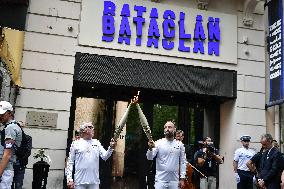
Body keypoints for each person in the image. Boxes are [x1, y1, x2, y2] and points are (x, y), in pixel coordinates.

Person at [66, 122, 116, 189]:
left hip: (94, 182)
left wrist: (111, 147)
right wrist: (69, 179)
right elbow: (70, 162)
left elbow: (105, 156)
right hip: (79, 181)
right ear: (83, 130)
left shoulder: (97, 142)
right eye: (90, 127)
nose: (93, 129)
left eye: (93, 127)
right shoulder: (75, 143)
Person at [146, 121, 186, 189]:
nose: (167, 129)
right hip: (160, 181)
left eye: (169, 127)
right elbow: (149, 157)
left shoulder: (180, 145)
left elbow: (183, 162)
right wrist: (150, 148)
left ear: (174, 129)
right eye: (165, 127)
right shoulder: (158, 143)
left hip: (174, 181)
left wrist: (182, 178)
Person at [0, 101, 22, 189]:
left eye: (2, 114)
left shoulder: (10, 128)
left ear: (9, 113)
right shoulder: (10, 126)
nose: (0, 116)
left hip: (5, 170)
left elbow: (7, 154)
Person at [11, 121, 32, 189]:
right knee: (9, 183)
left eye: (20, 126)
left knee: (18, 184)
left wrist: (20, 160)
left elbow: (28, 152)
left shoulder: (28, 138)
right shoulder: (11, 136)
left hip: (20, 164)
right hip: (10, 164)